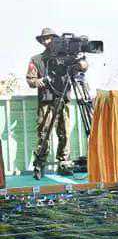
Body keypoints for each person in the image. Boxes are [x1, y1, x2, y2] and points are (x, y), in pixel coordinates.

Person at [26, 28, 76, 177]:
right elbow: (30, 79)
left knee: (65, 133)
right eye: (44, 39)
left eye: (50, 38)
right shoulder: (36, 59)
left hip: (63, 99)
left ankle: (64, 163)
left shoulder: (66, 58)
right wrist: (39, 81)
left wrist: (80, 63)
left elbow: (80, 69)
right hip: (46, 102)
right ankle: (40, 164)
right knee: (43, 133)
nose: (47, 41)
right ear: (41, 42)